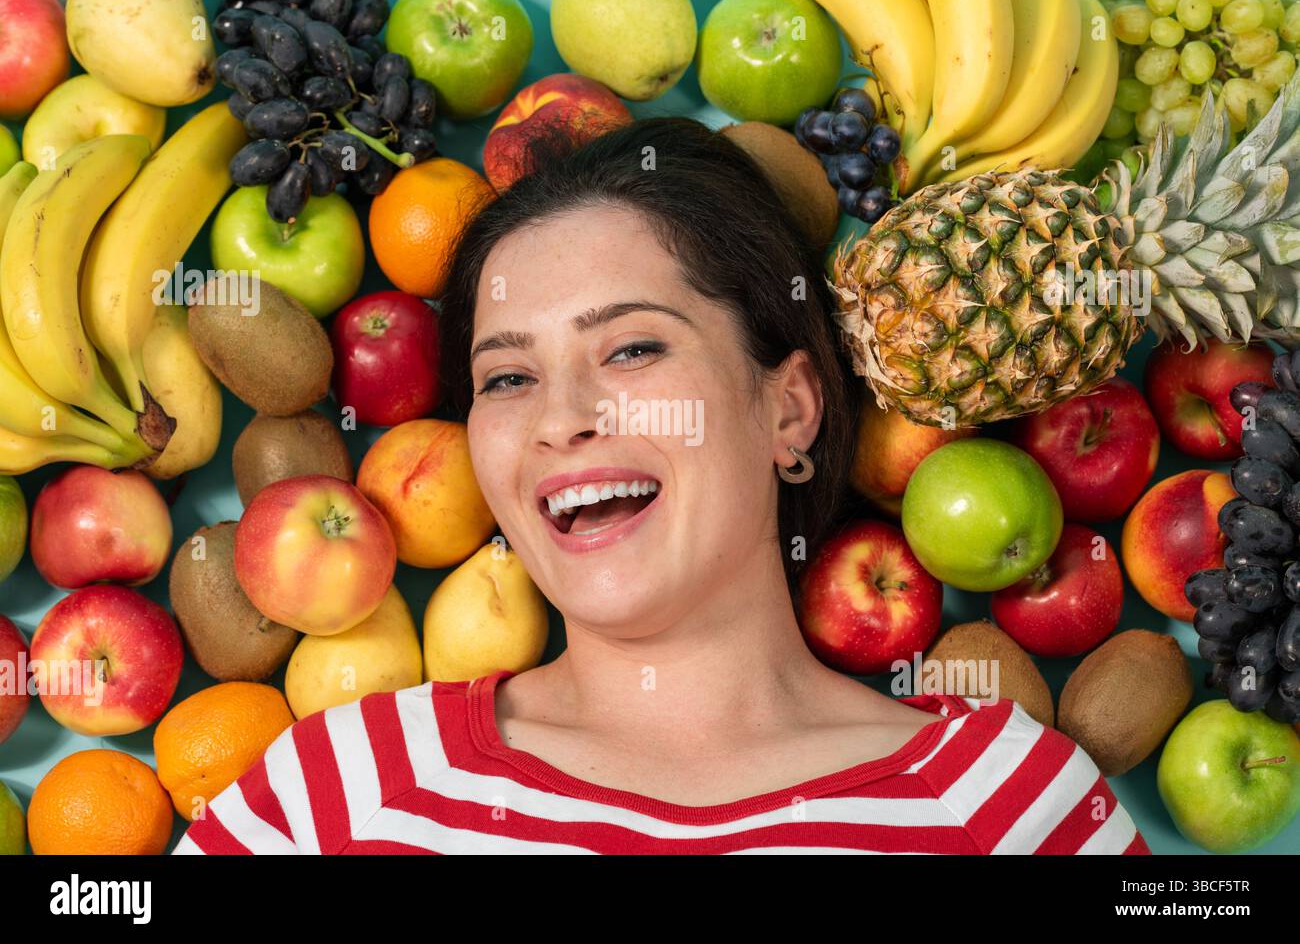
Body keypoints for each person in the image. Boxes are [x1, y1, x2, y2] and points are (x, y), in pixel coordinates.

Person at [175, 118, 1150, 855]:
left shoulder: (1018, 807)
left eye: (633, 347)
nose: (559, 418)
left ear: (788, 409)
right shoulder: (333, 794)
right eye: (507, 377)